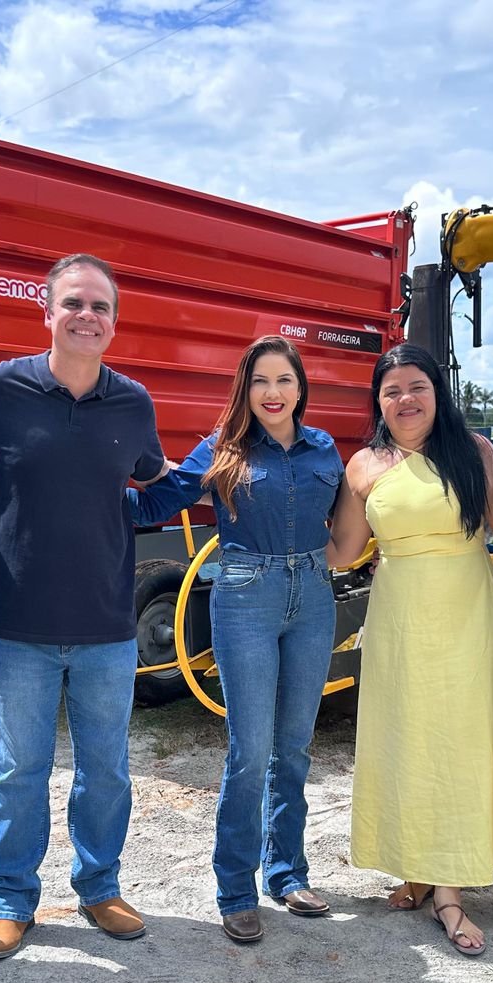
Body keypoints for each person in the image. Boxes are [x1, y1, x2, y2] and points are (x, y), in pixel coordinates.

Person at [0, 253, 169, 960]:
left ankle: (99, 888)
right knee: (19, 770)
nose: (87, 316)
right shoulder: (0, 388)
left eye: (100, 307)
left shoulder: (132, 403)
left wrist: (218, 476)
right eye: (74, 303)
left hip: (106, 624)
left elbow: (151, 486)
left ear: (114, 323)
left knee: (106, 771)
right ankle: (13, 902)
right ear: (46, 313)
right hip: (17, 627)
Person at [327, 343, 493, 957]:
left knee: (457, 739)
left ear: (437, 391)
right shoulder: (364, 464)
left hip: (468, 611)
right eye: (391, 390)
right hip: (397, 616)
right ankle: (415, 863)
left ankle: (449, 887)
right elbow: (343, 550)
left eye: (416, 386)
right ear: (378, 401)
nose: (405, 399)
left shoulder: (473, 452)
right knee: (405, 736)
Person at [129, 336, 341, 944]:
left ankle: (286, 871)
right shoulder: (221, 449)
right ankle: (236, 888)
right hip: (246, 594)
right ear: (245, 391)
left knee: (295, 745)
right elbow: (155, 505)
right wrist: (87, 490)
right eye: (259, 382)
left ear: (301, 387)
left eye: (284, 380)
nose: (272, 393)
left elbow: (351, 519)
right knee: (251, 748)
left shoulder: (324, 448)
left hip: (314, 593)